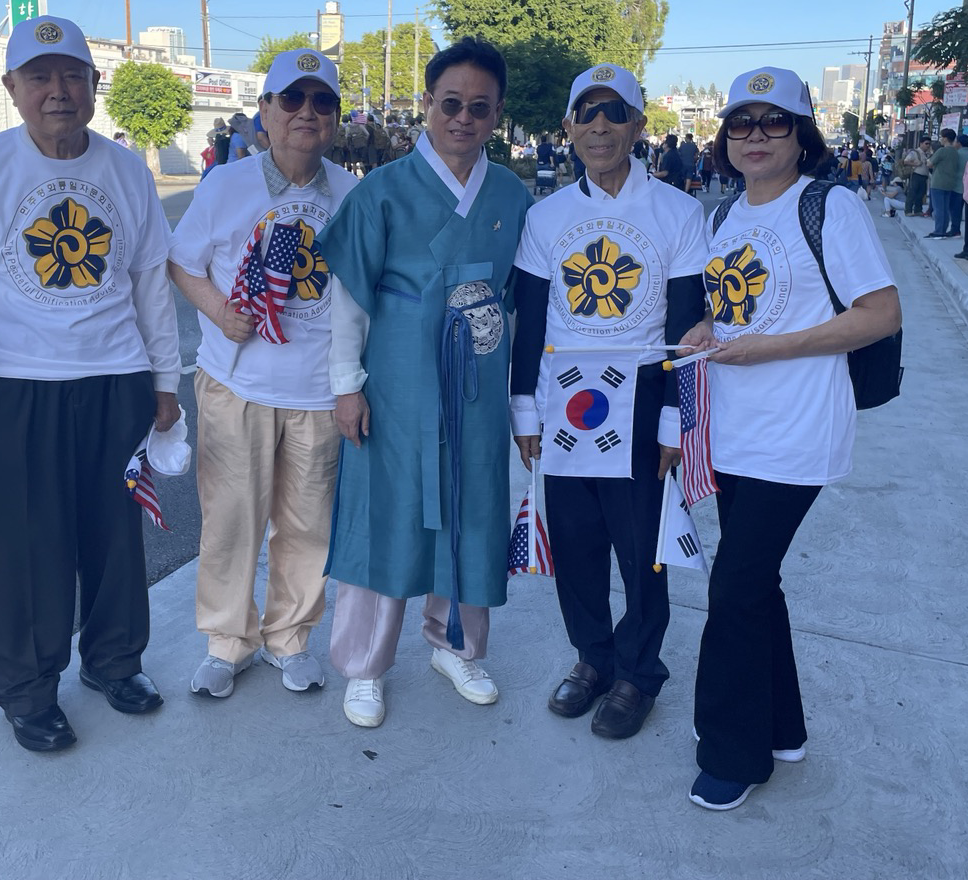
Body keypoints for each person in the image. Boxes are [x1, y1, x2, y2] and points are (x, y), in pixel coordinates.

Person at [0, 15, 180, 753]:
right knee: (24, 548)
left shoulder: (126, 170)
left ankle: (114, 662)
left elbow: (150, 285)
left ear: (95, 84)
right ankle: (27, 688)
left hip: (116, 378)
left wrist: (165, 382)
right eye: (39, 77)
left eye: (73, 75)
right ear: (12, 87)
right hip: (15, 384)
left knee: (114, 537)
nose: (58, 90)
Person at [681, 67, 901, 810]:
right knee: (756, 584)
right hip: (733, 429)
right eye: (740, 122)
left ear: (802, 134)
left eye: (774, 121)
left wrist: (772, 348)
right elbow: (730, 308)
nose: (756, 136)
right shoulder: (723, 215)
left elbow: (880, 313)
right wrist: (707, 327)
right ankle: (781, 728)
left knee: (734, 588)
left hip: (798, 431)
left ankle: (732, 752)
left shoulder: (830, 206)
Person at [318, 37, 533, 728]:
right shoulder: (380, 191)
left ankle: (456, 645)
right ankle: (365, 664)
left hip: (478, 382)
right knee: (385, 509)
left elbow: (522, 300)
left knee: (473, 507)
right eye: (451, 104)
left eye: (479, 107)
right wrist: (346, 385)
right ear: (428, 105)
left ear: (496, 113)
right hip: (397, 381)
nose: (463, 119)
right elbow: (349, 299)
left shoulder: (512, 195)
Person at [510, 63, 705, 740]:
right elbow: (530, 320)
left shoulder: (679, 213)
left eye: (614, 112)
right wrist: (525, 409)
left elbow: (686, 325)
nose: (599, 127)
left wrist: (677, 417)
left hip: (644, 393)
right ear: (568, 127)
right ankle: (593, 657)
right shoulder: (545, 217)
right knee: (577, 543)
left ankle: (639, 671)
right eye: (586, 113)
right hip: (566, 394)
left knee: (641, 546)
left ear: (638, 125)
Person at [168, 49, 358, 698]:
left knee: (307, 527)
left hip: (318, 392)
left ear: (335, 118)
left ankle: (290, 638)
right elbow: (181, 263)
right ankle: (228, 642)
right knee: (230, 523)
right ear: (265, 112)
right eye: (292, 99)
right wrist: (219, 311)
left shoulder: (351, 195)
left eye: (322, 102)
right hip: (236, 385)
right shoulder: (225, 185)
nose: (307, 112)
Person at [926, 129, 964, 239]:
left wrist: (929, 161)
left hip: (938, 182)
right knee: (945, 208)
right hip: (950, 183)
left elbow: (930, 163)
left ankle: (939, 231)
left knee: (938, 208)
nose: (940, 139)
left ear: (945, 138)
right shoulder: (955, 152)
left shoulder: (942, 151)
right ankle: (943, 230)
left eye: (941, 137)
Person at [906, 136, 933, 217]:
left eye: (929, 144)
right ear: (921, 143)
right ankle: (908, 210)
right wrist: (915, 164)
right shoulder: (915, 152)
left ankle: (918, 210)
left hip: (924, 176)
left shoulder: (927, 154)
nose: (928, 146)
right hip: (916, 175)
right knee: (912, 193)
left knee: (921, 194)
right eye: (926, 143)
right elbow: (906, 161)